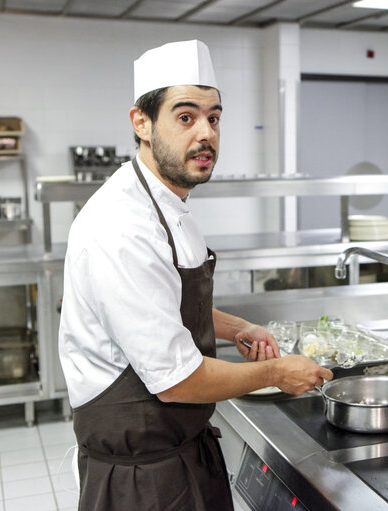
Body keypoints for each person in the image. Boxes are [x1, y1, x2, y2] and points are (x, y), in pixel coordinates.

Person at [58, 40, 333, 511]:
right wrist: (275, 372)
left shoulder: (167, 202)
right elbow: (177, 380)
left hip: (183, 451)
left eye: (214, 117)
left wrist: (237, 327)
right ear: (141, 123)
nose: (206, 133)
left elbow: (167, 303)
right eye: (185, 117)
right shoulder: (121, 227)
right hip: (142, 479)